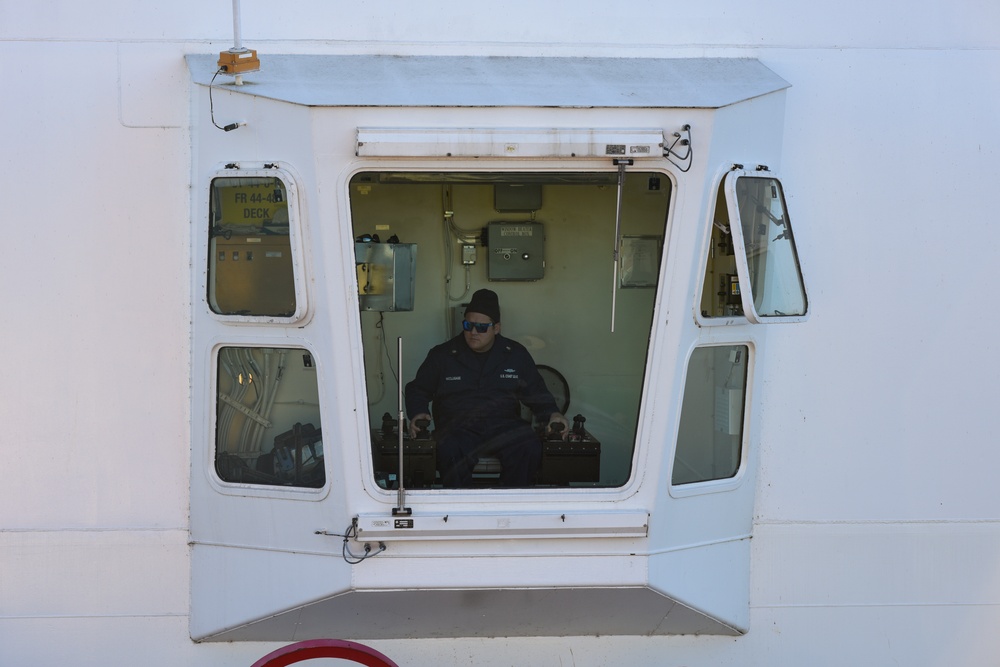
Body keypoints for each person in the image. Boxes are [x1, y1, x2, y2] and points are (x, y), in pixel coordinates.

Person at [405, 289, 569, 487]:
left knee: (528, 446)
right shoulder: (443, 355)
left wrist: (552, 414)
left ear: (496, 328)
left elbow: (536, 391)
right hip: (457, 426)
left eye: (482, 327)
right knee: (448, 448)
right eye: (468, 325)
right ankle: (461, 511)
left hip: (503, 424)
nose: (473, 332)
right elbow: (418, 390)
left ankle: (508, 508)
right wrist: (418, 413)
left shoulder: (515, 354)